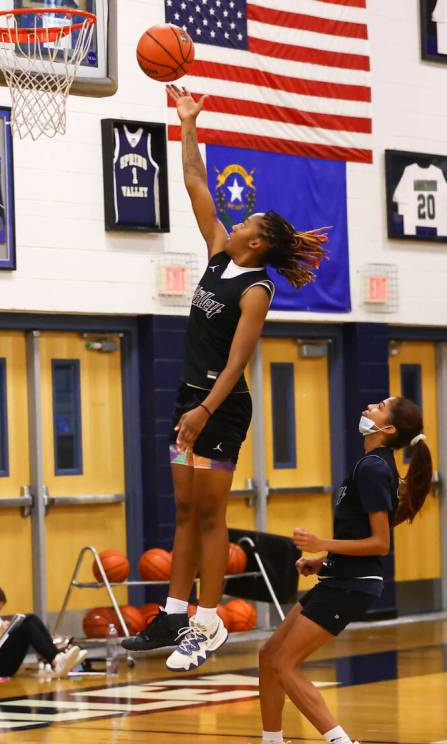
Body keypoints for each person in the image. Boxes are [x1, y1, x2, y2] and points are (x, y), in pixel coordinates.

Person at [123, 85, 330, 672]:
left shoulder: (256, 288)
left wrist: (205, 411)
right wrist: (187, 123)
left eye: (248, 221)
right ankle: (173, 610)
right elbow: (193, 181)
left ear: (258, 242)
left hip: (221, 403)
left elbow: (238, 363)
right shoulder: (218, 254)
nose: (236, 221)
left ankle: (207, 622)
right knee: (184, 512)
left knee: (211, 515)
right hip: (192, 398)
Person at [229, 396, 432, 744]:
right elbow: (357, 536)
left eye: (382, 405)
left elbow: (378, 545)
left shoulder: (373, 467)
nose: (373, 403)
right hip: (340, 578)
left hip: (352, 586)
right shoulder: (370, 465)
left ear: (388, 430)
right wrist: (322, 562)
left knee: (285, 663)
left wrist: (322, 544)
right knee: (270, 654)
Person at [0, 583, 87, 678]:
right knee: (27, 624)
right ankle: (57, 661)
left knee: (31, 619)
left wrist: (7, 632)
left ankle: (57, 658)